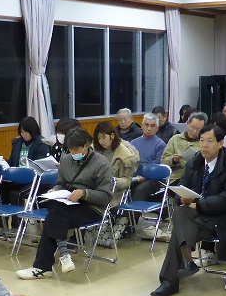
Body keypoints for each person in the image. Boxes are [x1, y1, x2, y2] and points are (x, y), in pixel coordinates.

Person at [150, 125, 226, 296]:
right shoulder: (195, 161)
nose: (204, 145)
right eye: (201, 141)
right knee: (181, 211)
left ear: (220, 143)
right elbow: (183, 185)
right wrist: (182, 198)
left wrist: (199, 205)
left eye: (209, 141)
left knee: (178, 229)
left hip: (221, 220)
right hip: (196, 218)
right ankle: (185, 263)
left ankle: (171, 280)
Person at [16, 127, 113, 279]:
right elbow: (61, 183)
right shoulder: (66, 160)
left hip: (92, 207)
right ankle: (61, 257)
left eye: (76, 150)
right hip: (68, 202)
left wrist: (84, 193)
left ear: (86, 146)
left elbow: (106, 196)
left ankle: (45, 265)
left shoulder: (102, 163)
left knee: (52, 218)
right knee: (54, 210)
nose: (73, 153)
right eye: (70, 150)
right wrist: (55, 190)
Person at [93, 120, 139, 206]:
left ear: (112, 136)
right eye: (98, 139)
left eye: (103, 138)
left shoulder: (125, 155)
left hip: (115, 192)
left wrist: (113, 181)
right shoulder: (95, 151)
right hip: (96, 188)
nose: (101, 141)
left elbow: (127, 181)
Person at [129, 113, 167, 203]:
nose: (149, 128)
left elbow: (157, 164)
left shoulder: (160, 145)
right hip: (134, 176)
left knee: (140, 189)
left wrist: (144, 176)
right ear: (142, 126)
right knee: (120, 186)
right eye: (146, 125)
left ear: (157, 128)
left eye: (152, 126)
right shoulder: (133, 143)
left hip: (153, 179)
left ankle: (134, 211)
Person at [162, 112, 207, 185]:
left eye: (199, 129)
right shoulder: (175, 139)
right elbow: (163, 161)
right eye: (193, 127)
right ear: (188, 124)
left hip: (196, 178)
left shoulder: (204, 143)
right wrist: (174, 160)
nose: (195, 131)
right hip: (176, 177)